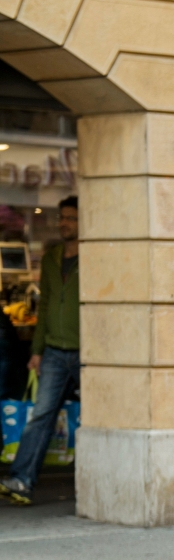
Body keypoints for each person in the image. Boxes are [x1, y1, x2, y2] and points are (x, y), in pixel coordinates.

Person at [2, 196, 79, 506]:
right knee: (40, 416)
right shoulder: (51, 258)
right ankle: (21, 478)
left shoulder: (95, 255)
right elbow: (45, 304)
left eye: (71, 218)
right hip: (55, 352)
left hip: (88, 354)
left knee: (96, 419)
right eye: (62, 217)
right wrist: (37, 350)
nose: (64, 223)